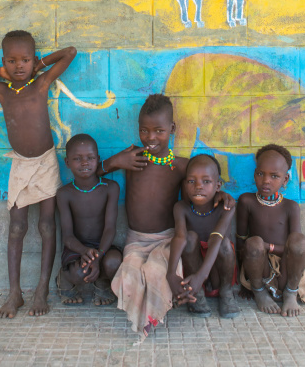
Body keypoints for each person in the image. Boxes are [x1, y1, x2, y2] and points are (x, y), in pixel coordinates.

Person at [0, 30, 77, 319]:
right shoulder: (2, 90)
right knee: (17, 228)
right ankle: (15, 293)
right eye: (12, 61)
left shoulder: (42, 82)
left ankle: (41, 289)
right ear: (3, 62)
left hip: (46, 163)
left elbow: (70, 52)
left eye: (24, 60)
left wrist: (41, 64)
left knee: (47, 226)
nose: (19, 66)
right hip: (21, 165)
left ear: (33, 61)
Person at [100, 93, 234, 339]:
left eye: (159, 131)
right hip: (136, 240)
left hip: (167, 240)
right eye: (144, 130)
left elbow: (202, 184)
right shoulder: (133, 157)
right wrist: (115, 161)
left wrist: (220, 195)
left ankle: (153, 316)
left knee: (155, 272)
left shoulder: (182, 166)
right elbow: (97, 171)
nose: (151, 137)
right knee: (129, 273)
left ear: (172, 129)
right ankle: (138, 314)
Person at [237, 143, 305, 317]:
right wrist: (243, 280)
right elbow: (241, 241)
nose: (266, 180)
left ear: (285, 180)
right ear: (255, 173)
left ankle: (291, 293)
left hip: (286, 268)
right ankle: (259, 291)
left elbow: (295, 248)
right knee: (253, 242)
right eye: (260, 174)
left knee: (300, 241)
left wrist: (268, 247)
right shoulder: (246, 201)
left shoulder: (290, 207)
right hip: (258, 267)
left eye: (274, 176)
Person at [167, 154, 239, 319]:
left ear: (218, 185)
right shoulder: (181, 208)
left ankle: (226, 293)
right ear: (185, 185)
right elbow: (179, 238)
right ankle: (196, 294)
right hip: (194, 269)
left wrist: (202, 275)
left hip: (217, 268)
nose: (198, 186)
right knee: (190, 237)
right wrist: (170, 274)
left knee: (224, 243)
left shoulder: (226, 207)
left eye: (206, 181)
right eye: (191, 181)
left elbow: (216, 238)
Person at [56, 133, 122, 306]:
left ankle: (103, 283)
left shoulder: (110, 188)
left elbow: (110, 229)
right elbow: (68, 236)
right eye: (77, 159)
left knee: (114, 262)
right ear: (67, 162)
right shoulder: (64, 194)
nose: (84, 163)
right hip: (77, 249)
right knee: (81, 272)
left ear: (98, 159)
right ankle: (64, 279)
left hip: (104, 247)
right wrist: (84, 251)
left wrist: (98, 256)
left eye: (90, 158)